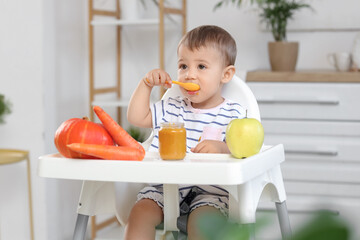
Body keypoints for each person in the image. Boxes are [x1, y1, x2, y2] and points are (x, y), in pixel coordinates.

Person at [126, 25, 246, 240]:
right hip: (165, 185)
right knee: (140, 213)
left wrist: (222, 147)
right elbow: (136, 117)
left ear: (225, 74)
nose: (189, 74)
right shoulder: (172, 105)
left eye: (201, 66)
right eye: (183, 66)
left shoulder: (233, 112)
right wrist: (146, 85)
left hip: (211, 191)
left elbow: (243, 149)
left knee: (202, 223)